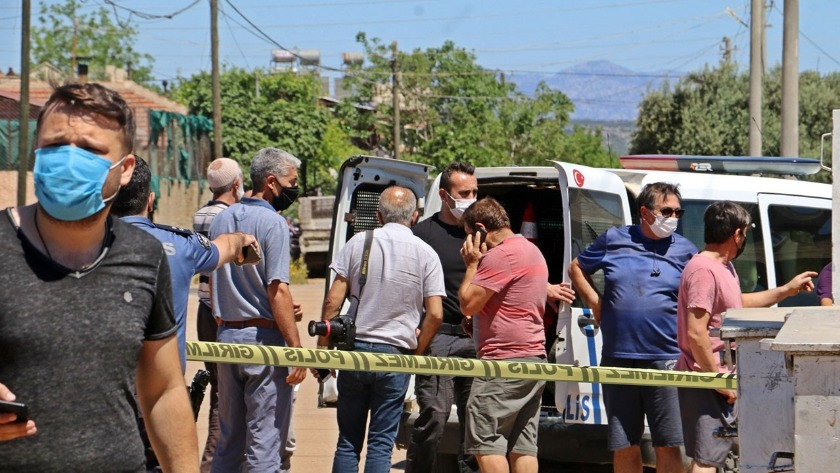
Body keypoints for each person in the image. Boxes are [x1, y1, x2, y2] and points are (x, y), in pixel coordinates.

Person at [0, 83, 197, 471]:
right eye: (56, 145)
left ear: (125, 170)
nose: (70, 160)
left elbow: (162, 390)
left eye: (90, 149)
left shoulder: (144, 255)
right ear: (36, 155)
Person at [676, 201, 816, 473]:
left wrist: (787, 290)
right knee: (706, 461)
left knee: (712, 460)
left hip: (722, 379)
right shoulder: (704, 270)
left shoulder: (724, 267)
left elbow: (736, 303)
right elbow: (696, 331)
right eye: (746, 233)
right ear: (737, 234)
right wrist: (717, 380)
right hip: (708, 382)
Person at [568, 182, 697, 473]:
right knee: (624, 443)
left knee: (668, 443)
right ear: (644, 212)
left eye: (678, 212)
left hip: (666, 360)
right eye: (667, 211)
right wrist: (595, 304)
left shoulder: (687, 250)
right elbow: (576, 267)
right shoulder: (615, 239)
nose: (674, 217)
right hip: (618, 358)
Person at [319, 185, 445, 473]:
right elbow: (435, 314)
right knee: (381, 443)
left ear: (378, 215)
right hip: (395, 357)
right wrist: (417, 352)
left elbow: (332, 302)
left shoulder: (357, 243)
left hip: (355, 353)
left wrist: (323, 352)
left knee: (348, 441)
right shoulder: (426, 253)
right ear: (414, 216)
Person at [209, 147, 307, 472]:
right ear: (271, 182)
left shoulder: (221, 219)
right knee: (264, 444)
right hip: (262, 344)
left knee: (229, 441)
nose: (295, 188)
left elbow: (216, 282)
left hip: (226, 339)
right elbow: (277, 290)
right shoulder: (272, 223)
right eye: (291, 181)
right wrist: (296, 348)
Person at [111, 156, 256, 372]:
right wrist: (242, 239)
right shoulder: (181, 245)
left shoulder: (82, 249)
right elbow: (223, 247)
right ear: (150, 200)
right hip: (163, 392)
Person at [458, 197, 549, 473]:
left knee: (486, 444)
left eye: (469, 236)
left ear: (480, 228)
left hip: (503, 364)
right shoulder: (531, 251)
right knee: (523, 445)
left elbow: (467, 302)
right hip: (533, 360)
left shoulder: (501, 255)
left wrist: (472, 263)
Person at [406, 162, 480, 473]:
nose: (472, 198)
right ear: (444, 196)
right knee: (434, 415)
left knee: (476, 422)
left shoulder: (482, 235)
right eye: (464, 193)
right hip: (439, 337)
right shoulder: (422, 234)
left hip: (477, 339)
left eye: (476, 192)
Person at [191, 157, 247, 472]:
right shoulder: (230, 216)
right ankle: (213, 463)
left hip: (203, 307)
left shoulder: (202, 212)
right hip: (221, 312)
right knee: (223, 397)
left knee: (218, 388)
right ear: (236, 184)